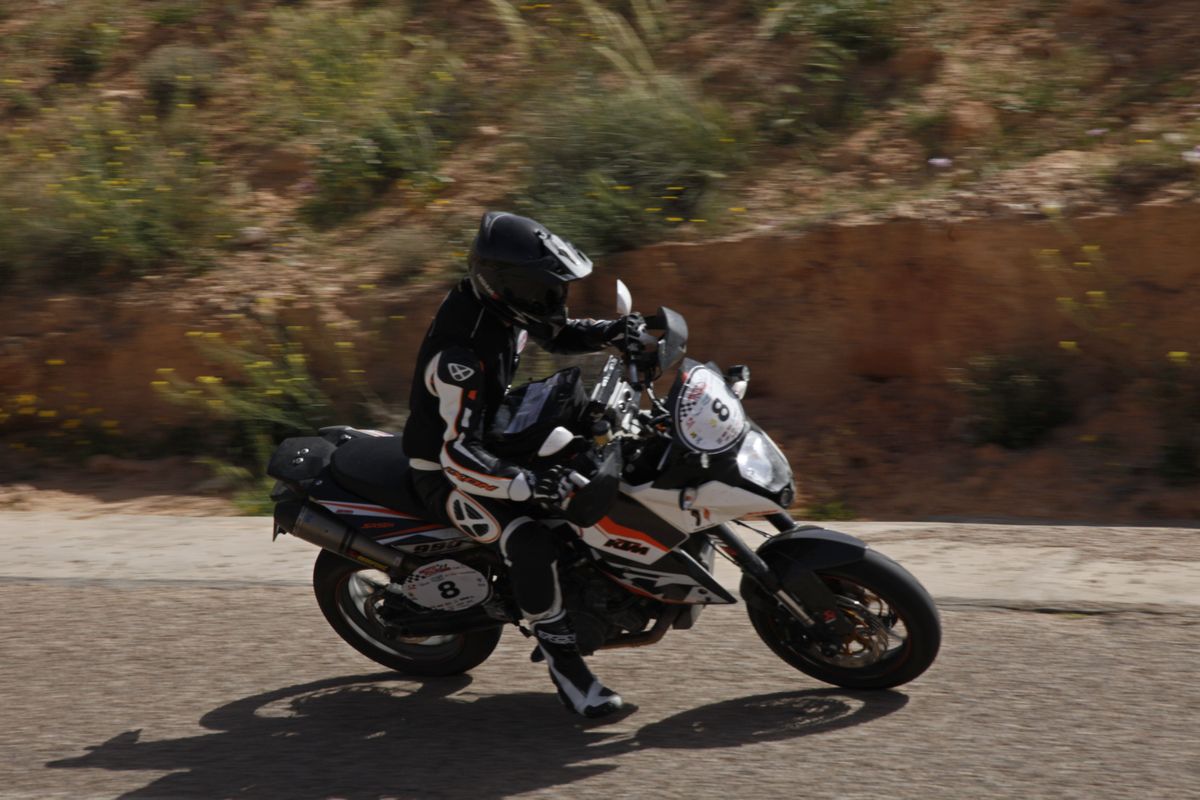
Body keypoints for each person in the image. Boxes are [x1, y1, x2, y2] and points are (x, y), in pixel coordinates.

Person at [402, 210, 631, 718]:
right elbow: (456, 454)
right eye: (542, 290)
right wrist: (527, 485)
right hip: (443, 470)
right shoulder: (459, 355)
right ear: (504, 284)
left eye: (554, 289)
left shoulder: (506, 308)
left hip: (489, 434)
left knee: (585, 434)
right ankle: (563, 659)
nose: (553, 301)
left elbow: (557, 333)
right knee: (530, 538)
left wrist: (617, 332)